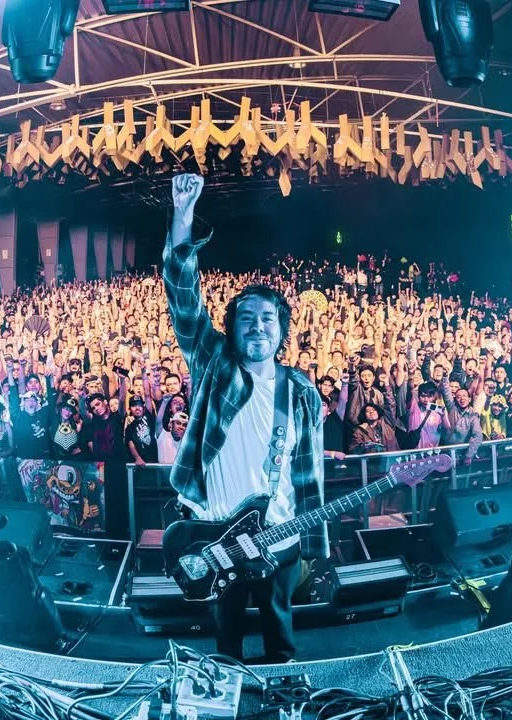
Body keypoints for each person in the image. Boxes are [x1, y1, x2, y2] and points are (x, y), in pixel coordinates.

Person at [164, 172, 328, 663]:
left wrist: (313, 541)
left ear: (282, 332)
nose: (257, 327)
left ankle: (283, 694)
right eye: (246, 318)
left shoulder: (301, 391)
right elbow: (184, 298)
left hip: (278, 534)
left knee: (281, 636)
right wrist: (183, 217)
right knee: (226, 640)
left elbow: (309, 472)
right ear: (231, 328)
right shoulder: (215, 366)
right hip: (215, 532)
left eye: (267, 319)